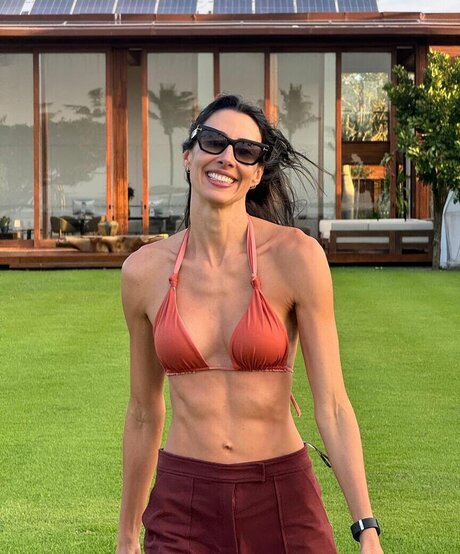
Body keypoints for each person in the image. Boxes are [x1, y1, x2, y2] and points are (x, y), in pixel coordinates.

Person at [116, 94, 383, 554]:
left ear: (257, 173)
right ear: (188, 155)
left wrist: (367, 529)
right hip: (183, 502)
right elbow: (143, 412)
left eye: (245, 150)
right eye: (213, 142)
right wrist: (126, 536)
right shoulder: (143, 272)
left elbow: (334, 406)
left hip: (281, 496)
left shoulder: (297, 258)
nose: (227, 158)